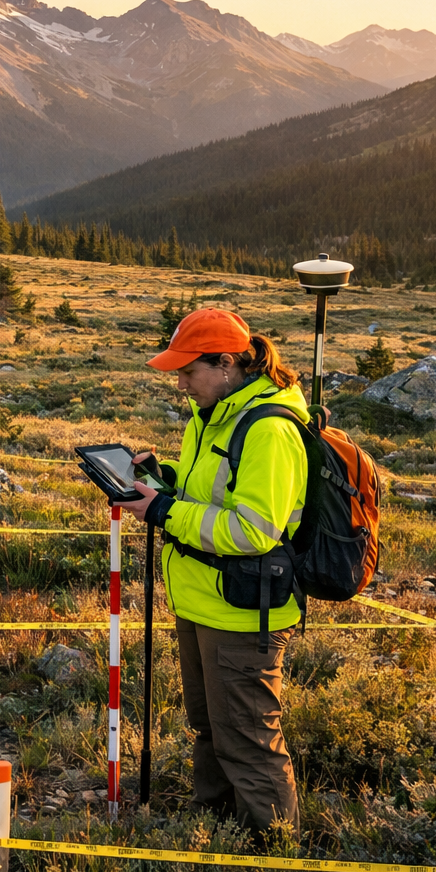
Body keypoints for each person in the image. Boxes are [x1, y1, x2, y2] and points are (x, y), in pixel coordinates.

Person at [115, 307, 306, 838]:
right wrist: (164, 479)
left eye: (187, 371)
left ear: (225, 364)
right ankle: (217, 831)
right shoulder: (215, 415)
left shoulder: (267, 428)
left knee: (247, 739)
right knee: (210, 729)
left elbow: (253, 529)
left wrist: (162, 511)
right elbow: (213, 493)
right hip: (202, 601)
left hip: (242, 614)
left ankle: (272, 852)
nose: (181, 384)